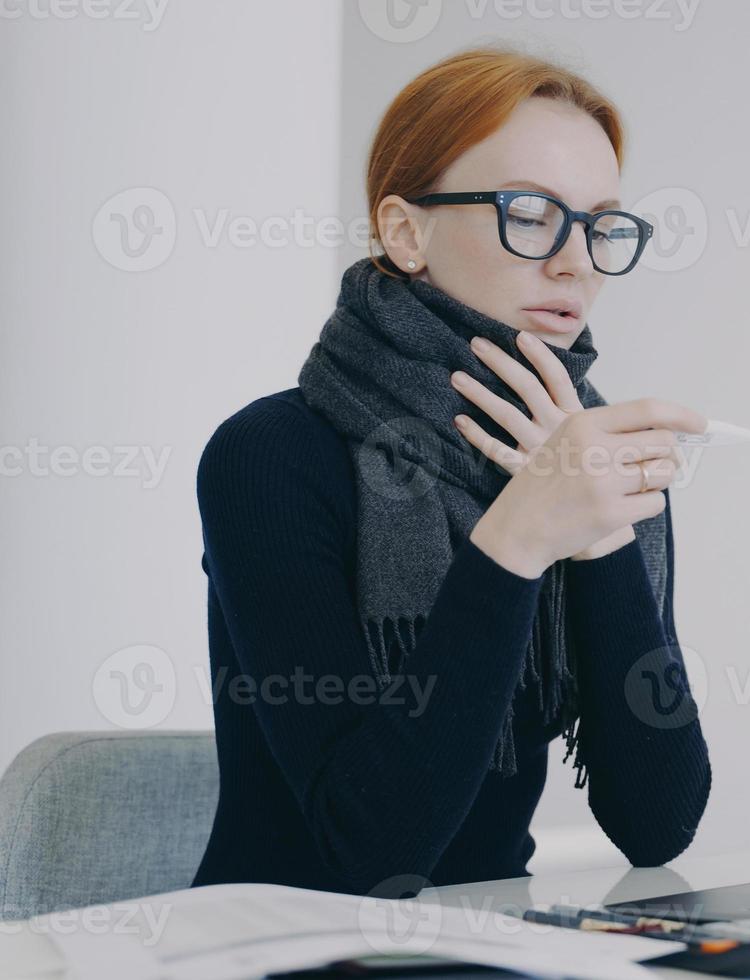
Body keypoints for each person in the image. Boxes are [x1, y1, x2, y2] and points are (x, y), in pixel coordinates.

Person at [191, 47, 712, 897]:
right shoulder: (272, 456)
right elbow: (371, 852)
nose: (576, 262)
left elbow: (658, 825)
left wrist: (603, 531)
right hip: (287, 942)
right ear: (406, 231)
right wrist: (517, 536)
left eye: (601, 226)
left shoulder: (590, 453)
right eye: (532, 214)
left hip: (496, 937)